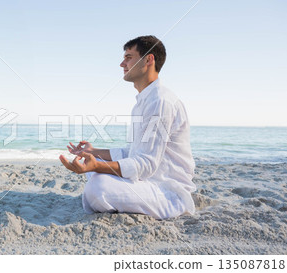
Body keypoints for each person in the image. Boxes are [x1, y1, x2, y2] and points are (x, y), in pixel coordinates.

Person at [59, 35, 196, 219]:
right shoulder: (143, 102)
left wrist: (97, 165)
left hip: (166, 191)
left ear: (148, 59)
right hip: (146, 182)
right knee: (94, 175)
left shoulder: (160, 101)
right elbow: (132, 152)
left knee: (98, 186)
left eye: (129, 57)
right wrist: (95, 152)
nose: (122, 64)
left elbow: (146, 164)